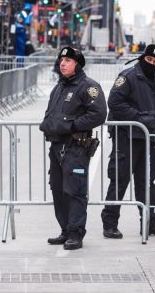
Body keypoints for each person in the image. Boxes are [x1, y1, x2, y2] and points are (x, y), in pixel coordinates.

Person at [39, 47, 106, 250]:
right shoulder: (59, 87)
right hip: (57, 147)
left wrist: (71, 126)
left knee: (75, 191)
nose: (63, 63)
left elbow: (99, 114)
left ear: (77, 64)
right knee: (58, 190)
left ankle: (76, 233)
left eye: (68, 60)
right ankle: (66, 230)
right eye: (61, 59)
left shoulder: (88, 87)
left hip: (75, 148)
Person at [102, 44, 155, 239]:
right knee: (119, 180)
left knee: (147, 183)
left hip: (147, 139)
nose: (151, 64)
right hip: (127, 137)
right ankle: (110, 224)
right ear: (142, 58)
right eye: (149, 60)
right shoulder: (129, 76)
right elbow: (114, 103)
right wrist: (139, 119)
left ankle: (150, 224)